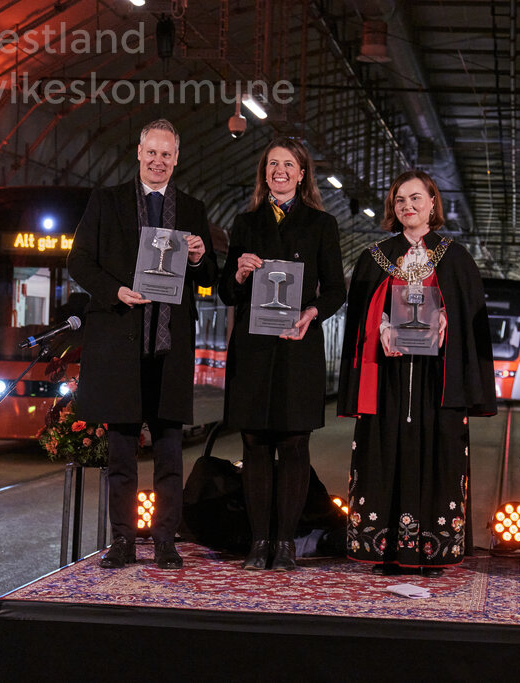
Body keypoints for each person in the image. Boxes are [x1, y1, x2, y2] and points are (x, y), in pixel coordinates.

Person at [68, 119, 218, 570]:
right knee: (121, 454)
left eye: (166, 154)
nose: (158, 161)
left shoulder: (192, 209)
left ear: (177, 159)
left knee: (171, 453)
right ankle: (123, 541)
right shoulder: (106, 201)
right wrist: (115, 291)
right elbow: (79, 262)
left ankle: (166, 540)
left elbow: (210, 280)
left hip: (169, 351)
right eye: (151, 152)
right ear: (139, 153)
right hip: (120, 348)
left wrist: (200, 258)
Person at [337, 170, 497, 576]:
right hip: (387, 379)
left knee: (436, 453)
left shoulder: (455, 258)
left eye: (415, 198)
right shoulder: (375, 257)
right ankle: (385, 550)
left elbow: (470, 319)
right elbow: (360, 317)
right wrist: (382, 327)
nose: (407, 206)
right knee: (384, 453)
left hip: (436, 380)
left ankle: (432, 551)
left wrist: (446, 319)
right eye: (400, 200)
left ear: (432, 203)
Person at [218, 138, 346, 571]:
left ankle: (286, 543)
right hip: (253, 350)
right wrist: (238, 273)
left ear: (302, 174)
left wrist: (313, 312)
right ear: (264, 173)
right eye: (272, 163)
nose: (280, 171)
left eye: (288, 164)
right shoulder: (244, 223)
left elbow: (336, 289)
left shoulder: (322, 224)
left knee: (293, 444)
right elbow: (226, 291)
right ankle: (259, 542)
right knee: (255, 443)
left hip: (297, 348)